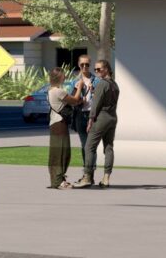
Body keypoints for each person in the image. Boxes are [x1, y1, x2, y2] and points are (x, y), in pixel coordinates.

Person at [80, 58, 120, 188]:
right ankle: (106, 178)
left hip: (102, 117)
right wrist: (95, 91)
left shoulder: (102, 83)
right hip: (112, 117)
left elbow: (96, 104)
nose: (96, 71)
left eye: (99, 69)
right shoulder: (114, 84)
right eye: (95, 69)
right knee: (108, 147)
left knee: (89, 147)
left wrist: (90, 120)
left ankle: (87, 176)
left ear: (106, 69)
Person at [44, 66, 73, 189]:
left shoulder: (50, 91)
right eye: (63, 75)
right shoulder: (58, 91)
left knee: (55, 153)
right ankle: (59, 181)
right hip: (60, 124)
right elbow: (75, 100)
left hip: (54, 123)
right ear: (59, 77)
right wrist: (80, 87)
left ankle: (56, 180)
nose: (65, 77)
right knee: (63, 151)